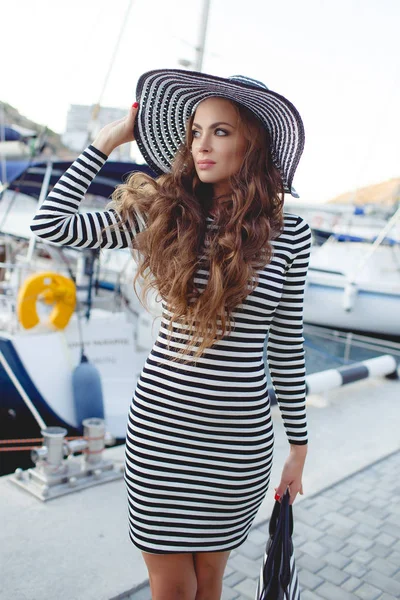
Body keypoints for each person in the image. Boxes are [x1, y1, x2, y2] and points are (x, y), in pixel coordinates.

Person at [31, 70, 312, 600]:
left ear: (253, 144)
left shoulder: (291, 234)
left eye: (221, 131)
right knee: (172, 588)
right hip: (163, 435)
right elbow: (52, 225)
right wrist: (104, 142)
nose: (200, 144)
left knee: (210, 580)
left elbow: (286, 346)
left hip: (238, 444)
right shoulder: (163, 214)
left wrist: (297, 446)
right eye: (195, 130)